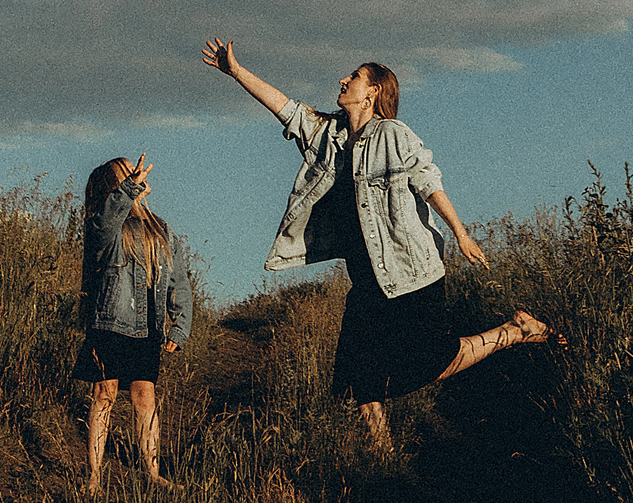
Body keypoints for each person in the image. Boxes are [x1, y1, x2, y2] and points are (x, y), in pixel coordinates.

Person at [200, 38, 560, 454]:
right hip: (368, 278)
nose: (342, 80)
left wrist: (460, 233)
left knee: (431, 363)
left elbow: (428, 181)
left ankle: (514, 331)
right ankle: (383, 458)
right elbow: (285, 107)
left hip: (413, 273)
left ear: (372, 92)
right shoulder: (329, 135)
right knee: (357, 377)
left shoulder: (393, 134)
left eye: (353, 77)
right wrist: (236, 71)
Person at [76, 154, 196, 492]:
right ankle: (94, 478)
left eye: (136, 172)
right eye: (128, 173)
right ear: (114, 186)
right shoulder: (103, 226)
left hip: (148, 328)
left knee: (145, 397)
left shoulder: (160, 228)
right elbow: (105, 222)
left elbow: (179, 279)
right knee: (104, 395)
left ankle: (152, 473)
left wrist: (181, 323)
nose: (137, 175)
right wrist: (129, 188)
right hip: (110, 324)